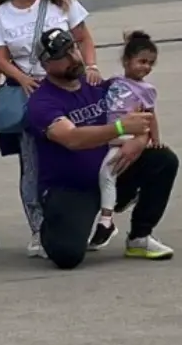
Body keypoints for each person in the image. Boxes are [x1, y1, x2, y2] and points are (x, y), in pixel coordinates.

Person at [26, 27, 175, 268]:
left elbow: (138, 115)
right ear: (46, 65)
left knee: (163, 159)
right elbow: (72, 138)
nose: (74, 57)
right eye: (63, 55)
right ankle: (54, 226)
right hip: (72, 188)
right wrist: (118, 128)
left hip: (112, 173)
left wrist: (138, 141)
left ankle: (139, 237)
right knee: (66, 256)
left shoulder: (97, 85)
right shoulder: (42, 102)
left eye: (73, 48)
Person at [0, 0, 100, 257]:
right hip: (33, 94)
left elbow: (84, 38)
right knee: (33, 165)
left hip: (69, 89)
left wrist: (91, 67)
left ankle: (89, 219)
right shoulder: (0, 14)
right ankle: (39, 229)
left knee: (79, 154)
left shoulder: (60, 3)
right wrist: (22, 78)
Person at [93, 31, 163, 247]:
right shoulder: (114, 82)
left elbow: (150, 116)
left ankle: (106, 220)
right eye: (142, 61)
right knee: (107, 174)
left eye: (150, 63)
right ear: (126, 61)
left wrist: (155, 139)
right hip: (112, 135)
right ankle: (123, 200)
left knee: (107, 173)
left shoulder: (147, 89)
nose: (146, 67)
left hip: (127, 137)